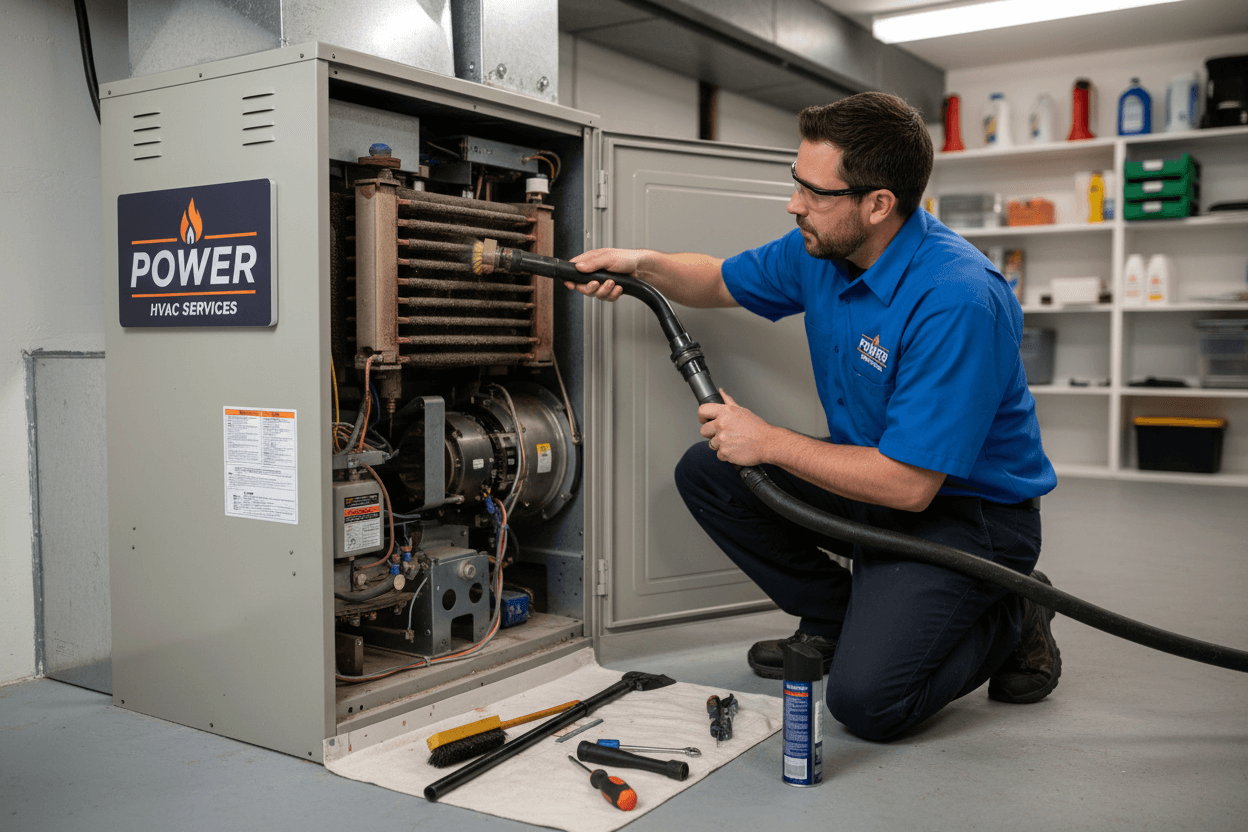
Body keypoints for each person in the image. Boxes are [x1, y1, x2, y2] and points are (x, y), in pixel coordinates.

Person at [566, 91, 1060, 742]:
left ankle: (1011, 608)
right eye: (796, 183)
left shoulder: (957, 298)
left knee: (867, 704)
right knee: (709, 473)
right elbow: (716, 280)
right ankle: (838, 619)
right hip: (877, 484)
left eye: (815, 192)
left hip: (967, 519)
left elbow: (912, 487)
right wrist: (639, 266)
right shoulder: (825, 251)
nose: (795, 203)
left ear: (878, 203)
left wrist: (767, 440)